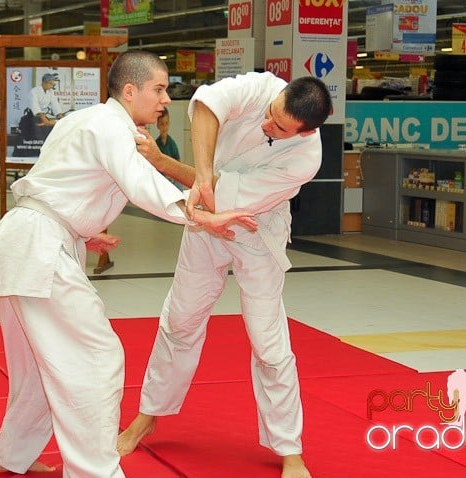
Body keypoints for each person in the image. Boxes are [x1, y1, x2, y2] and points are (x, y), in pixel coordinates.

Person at [0, 51, 257, 478]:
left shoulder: (81, 119)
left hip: (27, 239)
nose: (165, 100)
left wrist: (81, 231)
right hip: (37, 247)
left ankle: (11, 455)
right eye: (159, 89)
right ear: (130, 90)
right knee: (95, 357)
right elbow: (140, 182)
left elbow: (58, 179)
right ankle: (95, 472)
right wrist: (198, 215)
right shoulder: (112, 128)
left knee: (38, 362)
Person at [117, 71, 333, 478]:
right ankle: (148, 414)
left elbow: (220, 194)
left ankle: (290, 450)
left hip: (258, 230)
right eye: (270, 115)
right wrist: (199, 173)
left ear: (303, 133)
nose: (268, 125)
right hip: (206, 224)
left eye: (279, 128)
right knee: (179, 320)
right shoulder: (264, 87)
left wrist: (165, 164)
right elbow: (206, 108)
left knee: (268, 342)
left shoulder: (306, 158)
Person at [155, 107, 183, 190]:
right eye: (161, 124)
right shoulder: (156, 144)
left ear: (169, 123)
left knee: (180, 180)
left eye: (166, 123)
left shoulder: (172, 144)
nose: (164, 127)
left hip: (172, 175)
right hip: (162, 176)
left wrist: (173, 174)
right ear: (158, 125)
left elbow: (178, 162)